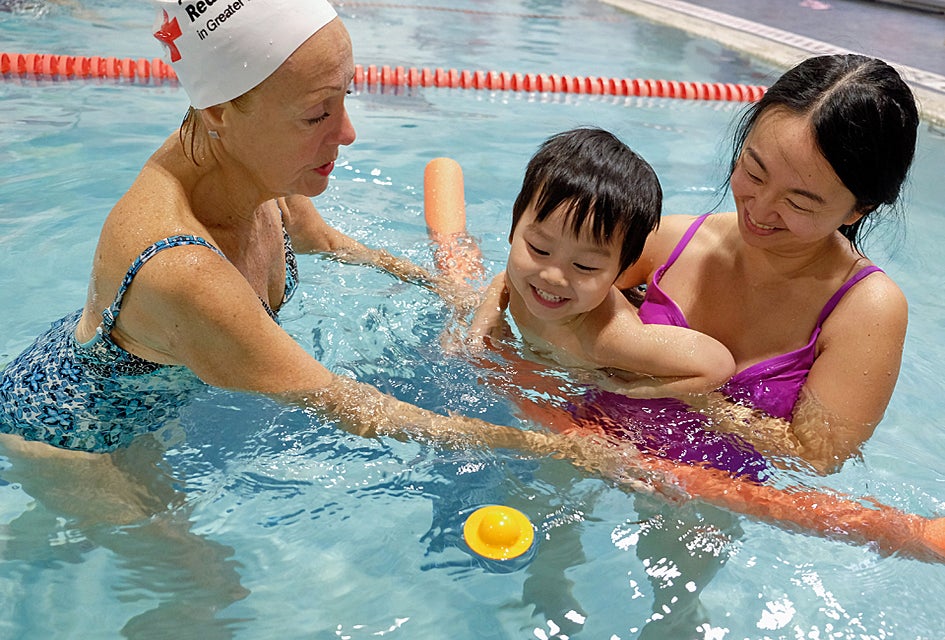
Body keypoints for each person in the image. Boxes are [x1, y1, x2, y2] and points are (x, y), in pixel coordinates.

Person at [0, 0, 665, 506]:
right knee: (204, 589)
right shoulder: (183, 268)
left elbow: (332, 246)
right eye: (318, 113)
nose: (347, 132)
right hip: (73, 442)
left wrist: (448, 290)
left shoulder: (258, 171)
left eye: (346, 96)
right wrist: (556, 448)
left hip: (139, 382)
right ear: (221, 112)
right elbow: (350, 405)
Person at [605, 53, 920, 474]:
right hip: (580, 443)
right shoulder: (667, 243)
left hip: (708, 505)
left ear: (857, 210)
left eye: (797, 202)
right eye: (753, 173)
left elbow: (814, 458)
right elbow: (553, 287)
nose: (761, 209)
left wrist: (696, 388)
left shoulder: (865, 310)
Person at [463, 127, 769, 481]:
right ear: (515, 229)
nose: (553, 276)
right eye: (539, 249)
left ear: (621, 270)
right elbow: (503, 280)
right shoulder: (524, 273)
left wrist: (631, 389)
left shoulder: (613, 338)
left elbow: (716, 365)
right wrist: (485, 322)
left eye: (585, 267)